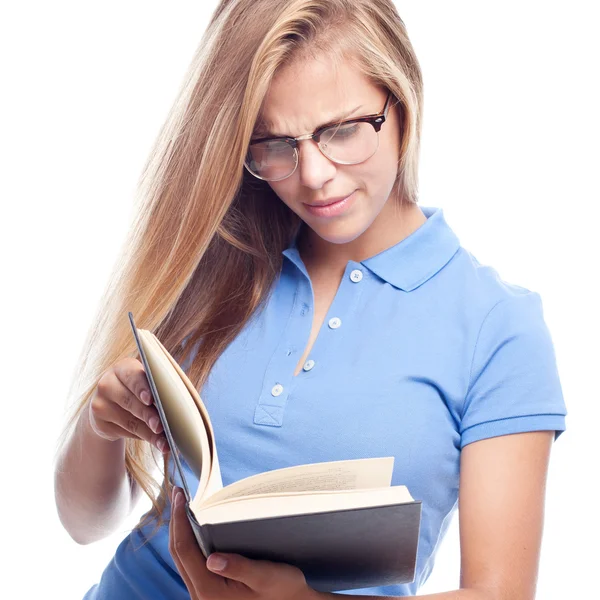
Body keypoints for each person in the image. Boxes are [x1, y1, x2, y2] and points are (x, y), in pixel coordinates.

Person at [53, 1, 567, 598]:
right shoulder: (218, 262)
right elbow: (81, 524)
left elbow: (499, 593)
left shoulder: (496, 327)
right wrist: (102, 423)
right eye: (275, 144)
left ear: (401, 106)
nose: (314, 175)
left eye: (342, 130)